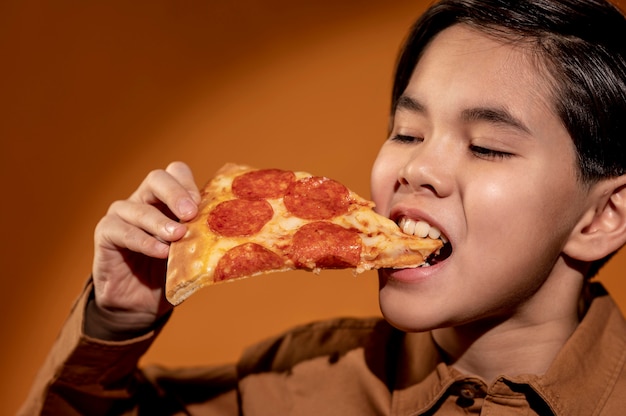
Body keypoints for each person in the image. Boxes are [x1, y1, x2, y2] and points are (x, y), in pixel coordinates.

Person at [20, 0, 626, 414]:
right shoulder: (290, 383)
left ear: (603, 218)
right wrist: (116, 325)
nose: (416, 169)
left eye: (488, 147)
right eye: (407, 132)